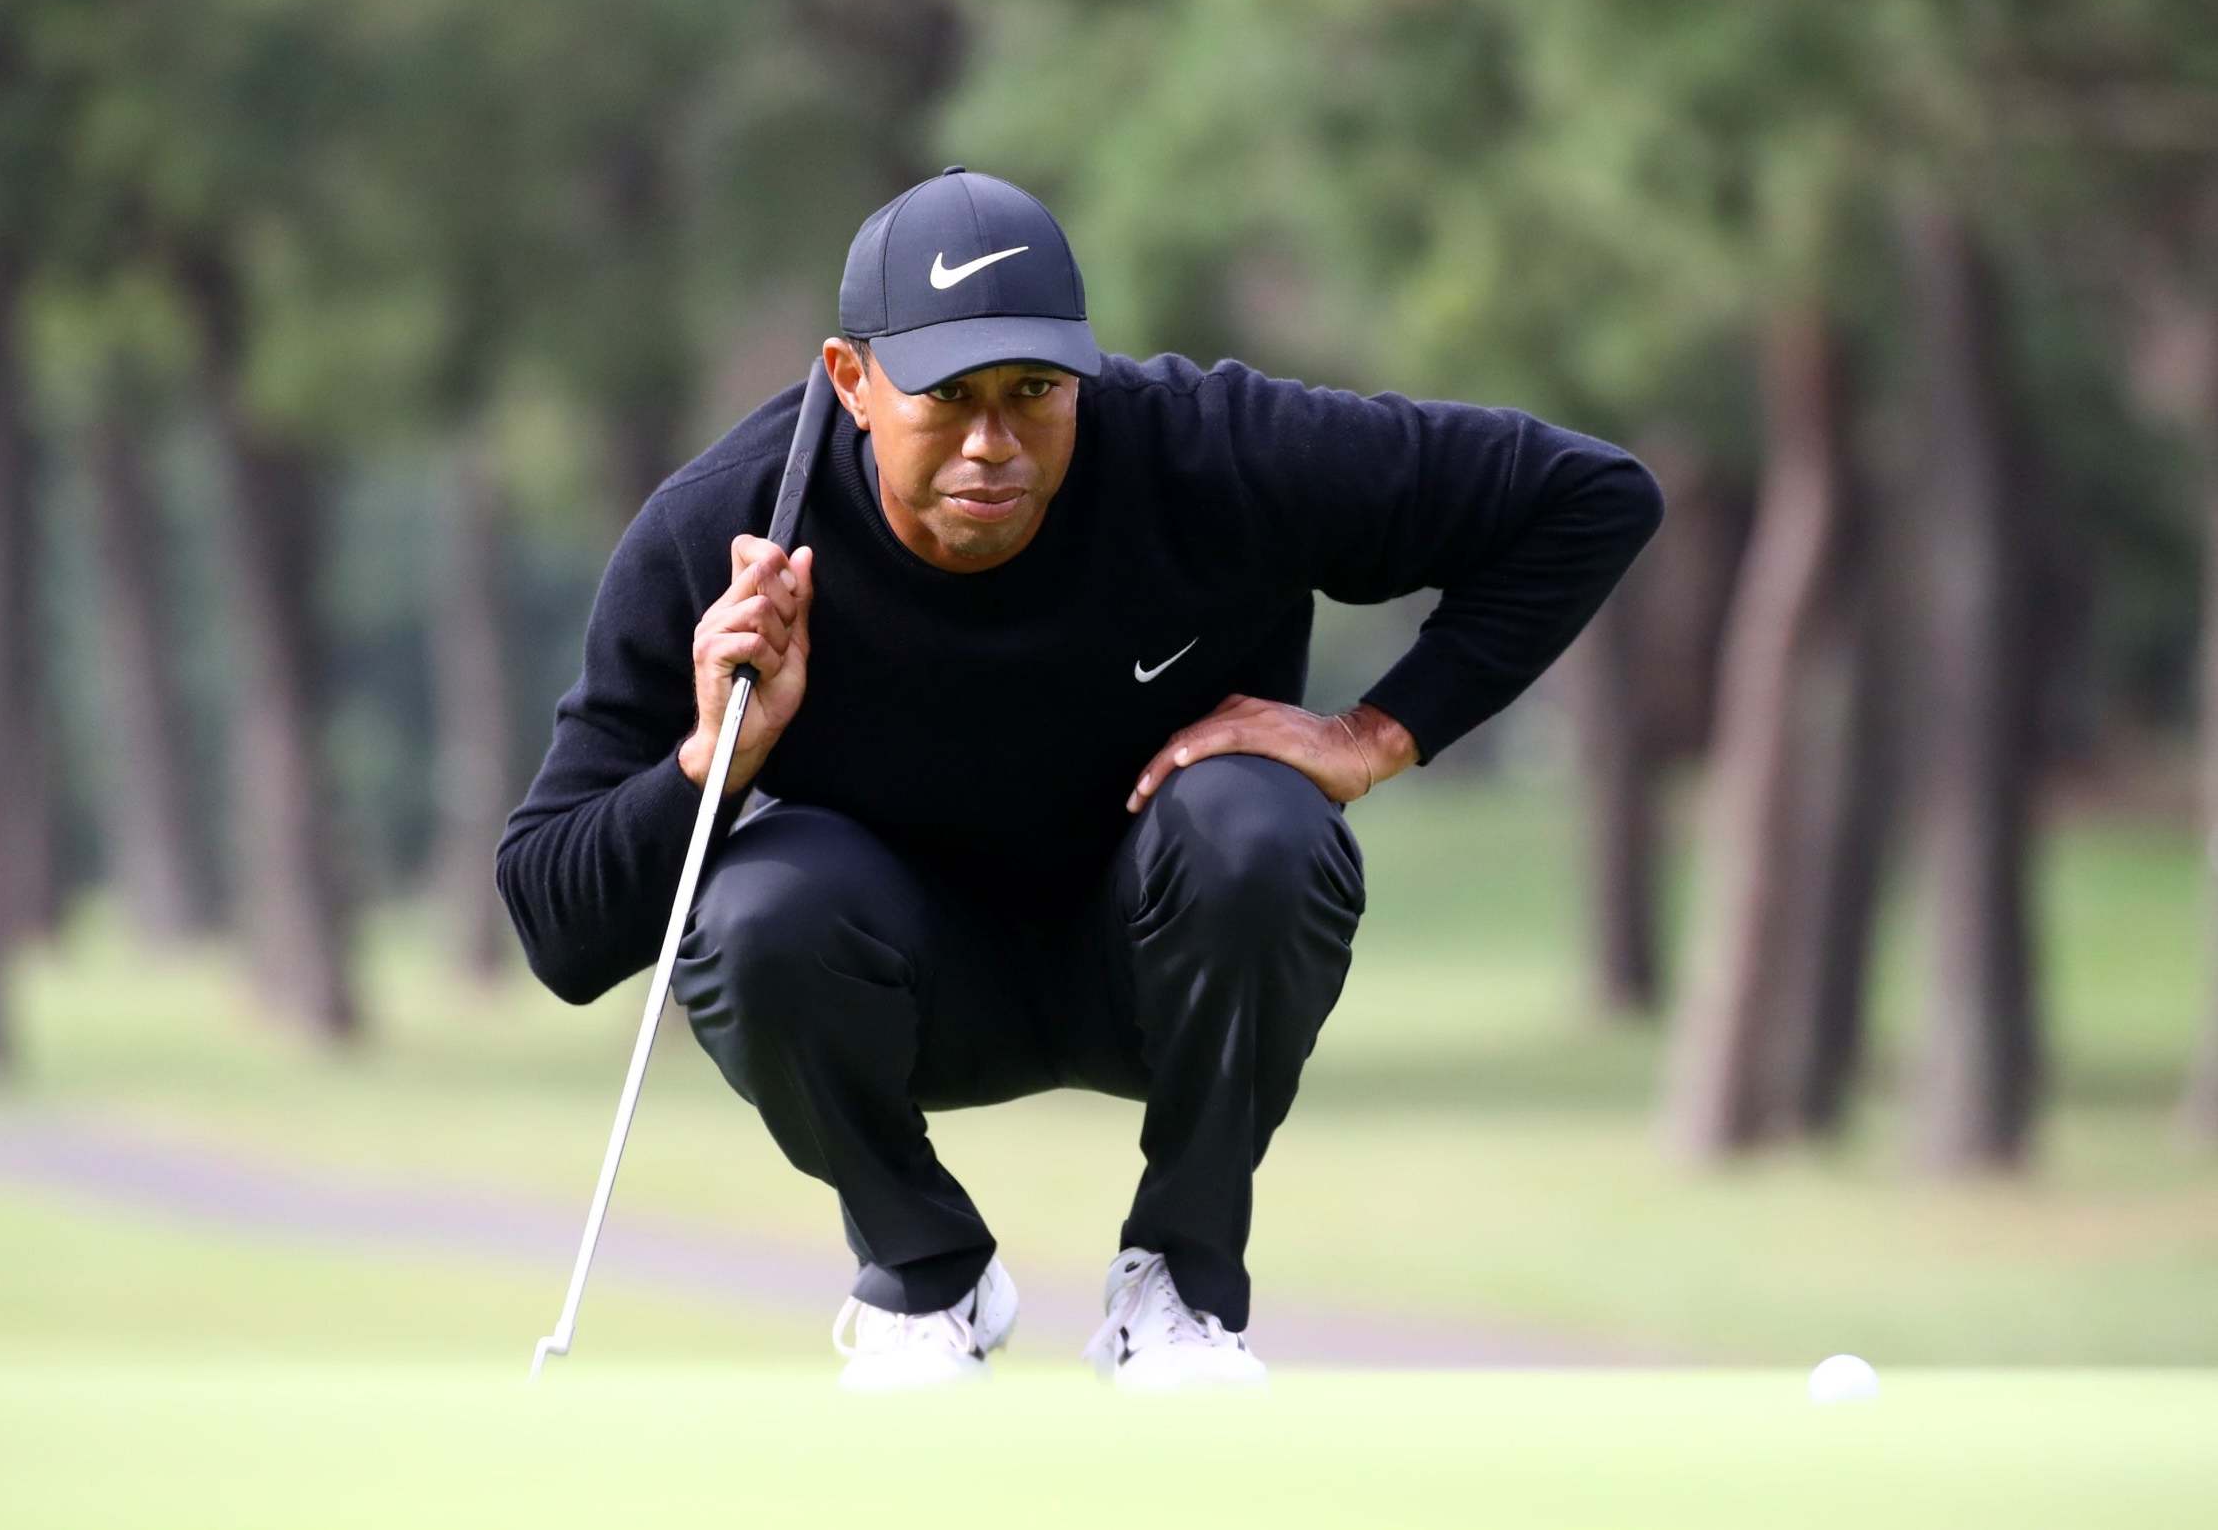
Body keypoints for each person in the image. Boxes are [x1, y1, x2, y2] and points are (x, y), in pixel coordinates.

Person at [497, 166, 1664, 1393]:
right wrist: (713, 761)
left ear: (1081, 370)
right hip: (896, 987)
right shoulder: (722, 534)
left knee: (1258, 822)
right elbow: (555, 924)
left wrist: (1377, 734)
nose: (993, 444)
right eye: (946, 397)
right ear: (850, 381)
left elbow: (1588, 498)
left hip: (1166, 965)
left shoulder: (1209, 452)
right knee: (753, 916)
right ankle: (922, 1272)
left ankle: (1180, 1282)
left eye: (1034, 391)